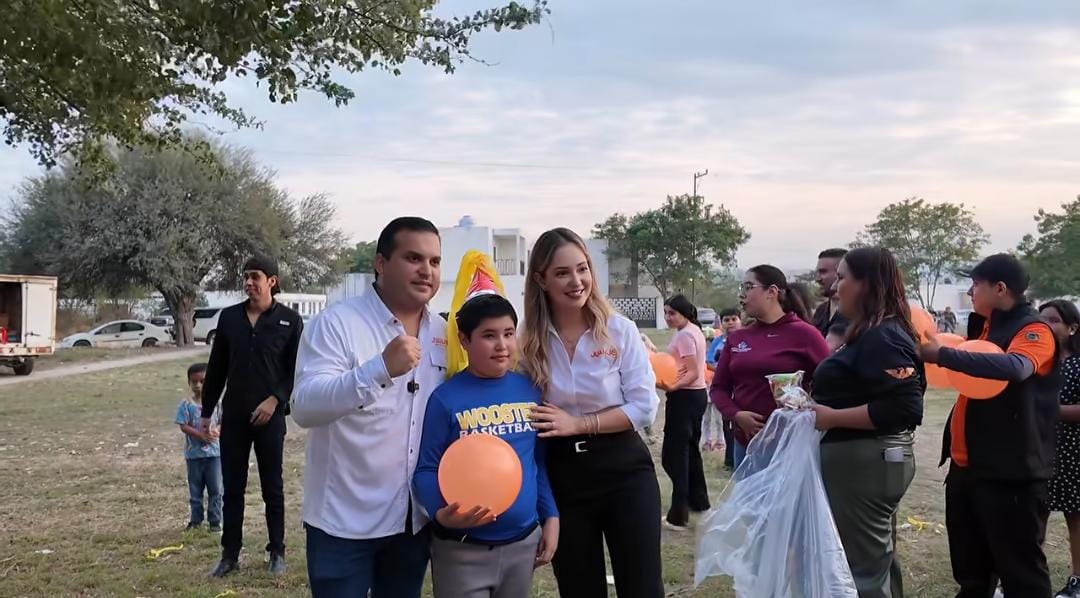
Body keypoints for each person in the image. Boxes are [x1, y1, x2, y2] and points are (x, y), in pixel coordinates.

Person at [291, 217, 446, 598]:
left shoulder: (444, 333)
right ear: (380, 263)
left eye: (435, 261)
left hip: (413, 520)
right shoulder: (336, 324)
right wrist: (378, 369)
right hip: (345, 523)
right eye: (413, 258)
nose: (426, 270)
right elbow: (304, 407)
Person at [520, 227, 663, 598]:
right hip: (564, 477)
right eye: (562, 273)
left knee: (642, 587)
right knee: (579, 589)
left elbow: (645, 407)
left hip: (624, 470)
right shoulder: (527, 339)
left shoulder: (619, 330)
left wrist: (578, 424)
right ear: (541, 279)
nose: (576, 281)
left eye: (582, 269)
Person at [921, 253, 1061, 598]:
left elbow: (1016, 368)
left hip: (1010, 473)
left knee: (1021, 574)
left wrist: (942, 355)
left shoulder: (1034, 329)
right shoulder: (984, 326)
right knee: (971, 574)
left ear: (1000, 288)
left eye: (975, 285)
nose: (970, 292)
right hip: (968, 469)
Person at [413, 293, 560, 598]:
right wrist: (441, 513)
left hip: (522, 544)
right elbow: (426, 468)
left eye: (508, 334)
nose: (502, 345)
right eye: (489, 336)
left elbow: (536, 463)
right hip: (462, 550)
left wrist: (551, 516)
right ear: (464, 340)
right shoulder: (445, 399)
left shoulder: (530, 391)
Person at [811, 247, 925, 598]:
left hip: (867, 461)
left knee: (861, 568)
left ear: (866, 285)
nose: (834, 288)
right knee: (875, 561)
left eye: (842, 278)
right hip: (860, 460)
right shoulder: (868, 332)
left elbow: (905, 407)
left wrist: (830, 416)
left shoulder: (883, 336)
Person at [201, 255, 303, 577]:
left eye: (255, 276)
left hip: (269, 418)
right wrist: (206, 412)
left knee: (272, 487)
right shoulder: (230, 318)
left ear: (271, 280)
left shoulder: (290, 320)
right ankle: (230, 554)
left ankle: (277, 552)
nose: (248, 282)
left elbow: (295, 371)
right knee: (233, 487)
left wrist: (275, 400)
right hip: (234, 416)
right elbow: (216, 369)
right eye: (245, 277)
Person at [710, 265, 830, 470]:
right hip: (746, 444)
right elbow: (719, 388)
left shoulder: (805, 334)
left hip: (790, 445)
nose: (742, 295)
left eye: (748, 287)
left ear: (772, 292)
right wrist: (737, 415)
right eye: (742, 287)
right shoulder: (738, 337)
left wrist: (806, 411)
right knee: (747, 503)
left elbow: (832, 382)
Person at [656, 294, 711, 529]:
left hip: (686, 397)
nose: (668, 317)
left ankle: (679, 514)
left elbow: (692, 373)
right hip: (695, 397)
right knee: (690, 453)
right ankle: (699, 502)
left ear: (685, 313)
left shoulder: (687, 335)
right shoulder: (692, 331)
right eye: (666, 312)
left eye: (672, 313)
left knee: (674, 456)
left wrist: (671, 387)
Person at [1041, 299, 1080, 598]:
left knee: (1075, 520)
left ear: (1072, 327)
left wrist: (1047, 409)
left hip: (1073, 452)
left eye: (1054, 320)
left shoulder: (1078, 363)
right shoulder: (1037, 361)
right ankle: (1024, 577)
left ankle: (1077, 582)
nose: (1047, 326)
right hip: (1038, 450)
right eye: (1043, 320)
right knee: (1032, 518)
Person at [175, 363, 223, 532]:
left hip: (214, 454)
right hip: (193, 456)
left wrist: (216, 430)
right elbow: (183, 425)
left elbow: (223, 421)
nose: (198, 385)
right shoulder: (186, 404)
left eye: (202, 381)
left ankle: (215, 522)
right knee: (195, 490)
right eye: (194, 381)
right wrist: (199, 435)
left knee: (216, 489)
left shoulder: (217, 402)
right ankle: (195, 521)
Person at [705, 308, 741, 464]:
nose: (730, 323)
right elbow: (709, 362)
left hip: (742, 388)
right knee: (727, 422)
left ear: (740, 320)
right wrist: (723, 369)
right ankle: (730, 459)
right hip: (725, 389)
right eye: (727, 320)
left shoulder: (746, 338)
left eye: (734, 319)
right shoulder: (718, 342)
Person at [814, 248, 850, 337]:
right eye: (817, 272)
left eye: (823, 272)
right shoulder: (820, 311)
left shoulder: (859, 314)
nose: (817, 279)